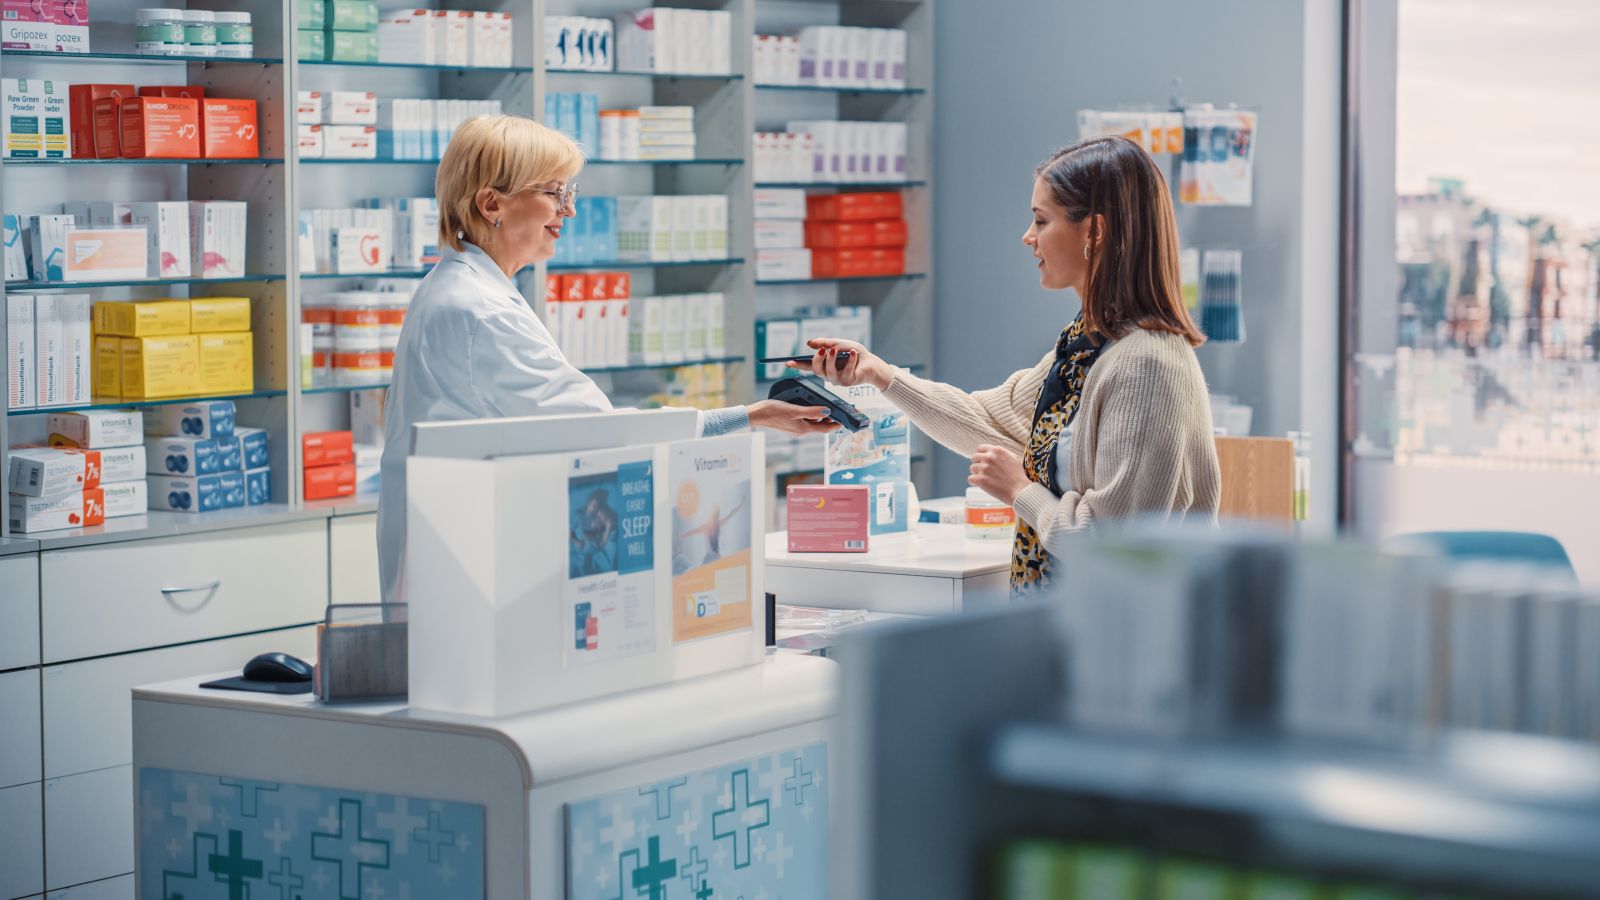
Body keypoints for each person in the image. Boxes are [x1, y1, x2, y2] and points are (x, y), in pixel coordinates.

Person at [378, 115, 838, 602]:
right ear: (492, 203)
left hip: (463, 553)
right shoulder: (479, 310)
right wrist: (748, 417)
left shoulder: (465, 289)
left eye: (568, 193)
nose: (569, 211)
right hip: (468, 570)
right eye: (555, 193)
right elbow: (600, 433)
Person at [796, 135, 1221, 591]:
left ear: (1095, 232)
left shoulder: (1146, 366)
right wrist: (877, 374)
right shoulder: (1084, 345)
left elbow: (1116, 544)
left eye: (1042, 220)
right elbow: (983, 420)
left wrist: (1021, 491)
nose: (1028, 236)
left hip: (1129, 641)